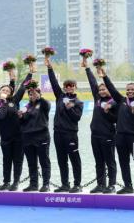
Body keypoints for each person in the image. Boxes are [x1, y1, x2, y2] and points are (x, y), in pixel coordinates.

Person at [99, 66, 134, 195]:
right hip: (120, 137)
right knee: (123, 162)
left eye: (133, 89)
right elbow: (111, 88)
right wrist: (104, 76)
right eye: (128, 90)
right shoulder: (121, 100)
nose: (130, 91)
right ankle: (128, 186)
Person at [45, 56, 84, 193]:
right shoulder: (60, 97)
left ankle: (77, 184)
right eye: (66, 86)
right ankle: (65, 184)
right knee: (62, 160)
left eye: (71, 86)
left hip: (71, 134)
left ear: (75, 88)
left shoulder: (78, 102)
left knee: (74, 159)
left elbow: (77, 118)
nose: (69, 88)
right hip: (58, 133)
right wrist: (50, 68)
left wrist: (70, 107)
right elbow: (53, 82)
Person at [0, 71, 32, 191]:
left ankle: (16, 182)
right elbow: (1, 116)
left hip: (19, 137)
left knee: (17, 161)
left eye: (8, 91)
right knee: (6, 160)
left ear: (11, 94)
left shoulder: (14, 101)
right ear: (0, 93)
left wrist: (30, 73)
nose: (5, 92)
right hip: (5, 138)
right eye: (3, 90)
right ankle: (6, 182)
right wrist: (3, 103)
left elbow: (23, 87)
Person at [82, 57, 118, 194]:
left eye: (105, 89)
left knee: (110, 161)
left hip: (108, 134)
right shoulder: (97, 99)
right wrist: (87, 69)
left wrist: (108, 112)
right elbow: (93, 83)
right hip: (95, 135)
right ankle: (100, 184)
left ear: (109, 90)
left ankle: (112, 185)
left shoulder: (114, 102)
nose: (102, 91)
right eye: (100, 90)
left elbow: (116, 119)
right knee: (99, 161)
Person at [19, 80, 52, 192]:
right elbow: (22, 122)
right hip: (27, 138)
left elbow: (46, 104)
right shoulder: (26, 107)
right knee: (31, 162)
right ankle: (34, 184)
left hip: (41, 136)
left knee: (44, 161)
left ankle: (46, 184)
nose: (32, 95)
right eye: (30, 93)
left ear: (39, 94)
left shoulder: (44, 104)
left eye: (35, 93)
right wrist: (20, 116)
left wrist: (38, 95)